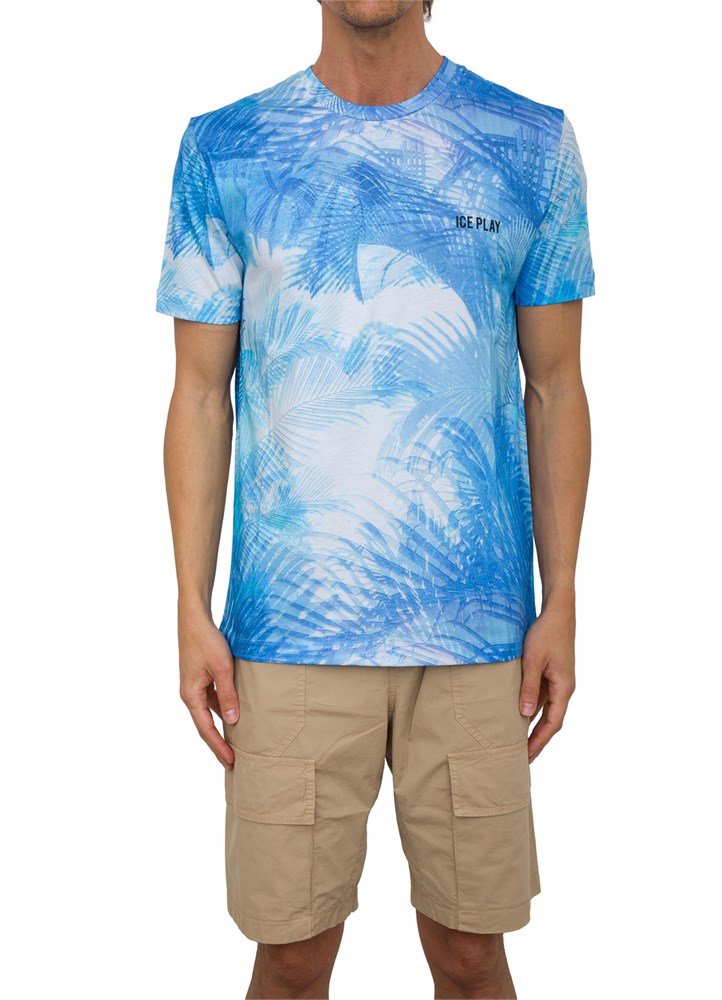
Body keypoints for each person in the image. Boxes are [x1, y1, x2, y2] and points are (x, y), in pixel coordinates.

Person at [155, 1, 596, 996]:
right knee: (291, 956)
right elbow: (199, 394)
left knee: (472, 954)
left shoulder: (530, 143)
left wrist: (562, 595)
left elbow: (556, 386)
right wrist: (189, 605)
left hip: (477, 633)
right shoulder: (226, 150)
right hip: (289, 634)